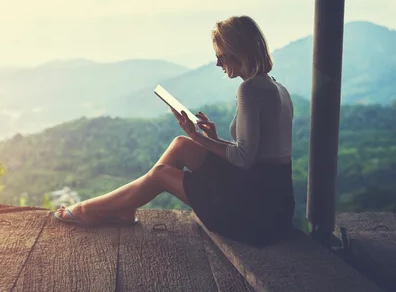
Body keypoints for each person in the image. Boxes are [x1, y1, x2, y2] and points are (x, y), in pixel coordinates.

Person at [55, 15, 295, 246]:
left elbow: (244, 159)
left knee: (162, 173)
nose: (218, 63)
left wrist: (198, 136)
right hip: (274, 205)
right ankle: (125, 207)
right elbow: (257, 153)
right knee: (182, 144)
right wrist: (211, 138)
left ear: (237, 52)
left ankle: (90, 210)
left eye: (220, 56)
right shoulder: (276, 87)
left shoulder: (250, 90)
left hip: (255, 214)